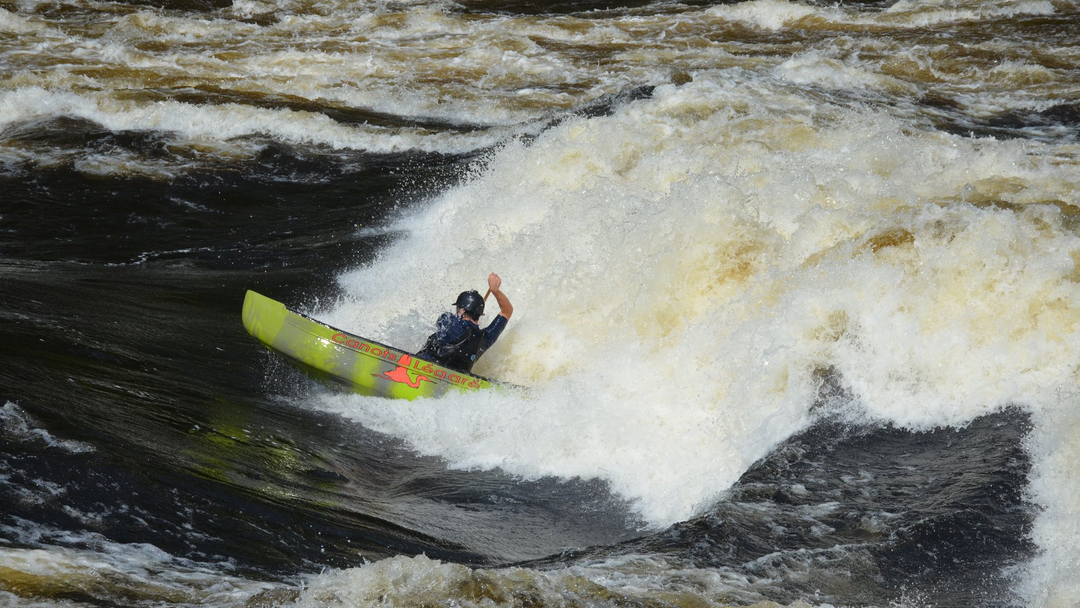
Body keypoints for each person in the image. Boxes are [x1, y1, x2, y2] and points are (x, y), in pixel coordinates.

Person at [416, 273, 513, 373]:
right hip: (454, 379)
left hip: (424, 369)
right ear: (481, 314)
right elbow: (507, 311)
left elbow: (442, 323)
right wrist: (495, 291)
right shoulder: (485, 339)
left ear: (461, 311)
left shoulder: (449, 320)